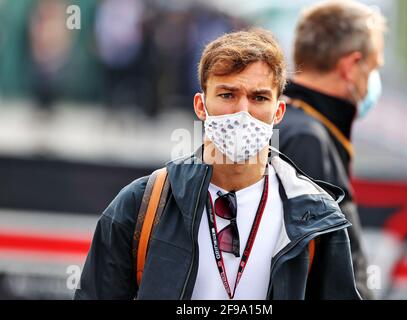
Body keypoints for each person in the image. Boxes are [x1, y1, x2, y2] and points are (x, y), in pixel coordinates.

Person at [74, 29, 361, 300]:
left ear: (279, 111)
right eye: (227, 95)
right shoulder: (141, 205)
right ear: (201, 106)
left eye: (259, 97)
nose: (242, 112)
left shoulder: (318, 218)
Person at [277, 0, 386, 299]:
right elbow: (325, 273)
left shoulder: (288, 121)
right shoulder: (307, 138)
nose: (373, 81)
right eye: (373, 67)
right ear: (351, 66)